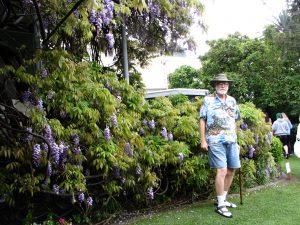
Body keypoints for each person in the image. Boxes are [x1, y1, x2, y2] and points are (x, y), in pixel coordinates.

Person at [199, 73, 240, 218]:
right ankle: (221, 205)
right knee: (222, 170)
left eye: (225, 84)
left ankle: (222, 199)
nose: (223, 85)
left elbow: (235, 120)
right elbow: (202, 120)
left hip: (232, 140)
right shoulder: (208, 100)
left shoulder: (233, 101)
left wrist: (237, 139)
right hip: (215, 141)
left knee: (231, 170)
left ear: (228, 86)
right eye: (220, 83)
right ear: (215, 86)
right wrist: (203, 140)